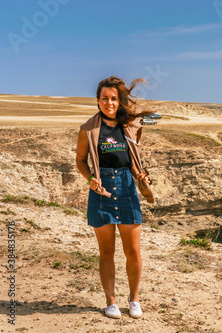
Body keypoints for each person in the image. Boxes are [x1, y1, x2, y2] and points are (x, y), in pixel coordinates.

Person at [75, 76, 153, 319]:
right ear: (97, 101)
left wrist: (140, 175)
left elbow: (131, 159)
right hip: (101, 192)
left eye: (113, 98)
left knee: (133, 252)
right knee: (106, 252)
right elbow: (80, 161)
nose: (109, 103)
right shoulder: (87, 129)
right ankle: (110, 301)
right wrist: (90, 179)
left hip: (127, 189)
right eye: (104, 98)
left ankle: (134, 299)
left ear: (119, 101)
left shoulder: (130, 126)